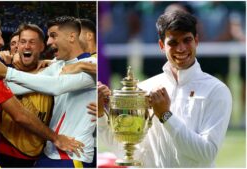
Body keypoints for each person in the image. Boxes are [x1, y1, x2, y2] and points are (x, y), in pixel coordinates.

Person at [98, 11, 232, 167]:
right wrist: (101, 114)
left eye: (187, 40)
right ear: (162, 45)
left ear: (196, 40)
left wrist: (166, 116)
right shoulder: (143, 89)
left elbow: (206, 154)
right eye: (173, 42)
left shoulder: (216, 90)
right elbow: (125, 150)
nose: (181, 48)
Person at [0, 16, 83, 168]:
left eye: (32, 42)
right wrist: (56, 138)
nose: (1, 41)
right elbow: (19, 115)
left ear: (42, 47)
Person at [0, 16, 96, 168]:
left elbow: (57, 86)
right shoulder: (56, 65)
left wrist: (7, 72)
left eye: (53, 36)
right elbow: (21, 87)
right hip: (50, 152)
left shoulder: (92, 65)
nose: (49, 42)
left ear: (71, 36)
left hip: (73, 154)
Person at [0, 24, 53, 167]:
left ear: (42, 47)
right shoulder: (2, 69)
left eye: (32, 42)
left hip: (38, 153)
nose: (26, 46)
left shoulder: (53, 71)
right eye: (22, 42)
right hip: (4, 150)